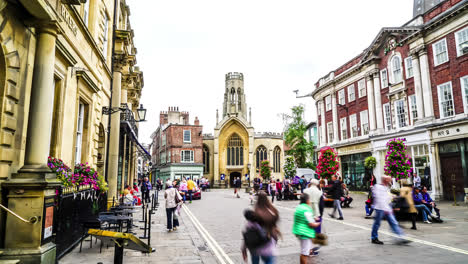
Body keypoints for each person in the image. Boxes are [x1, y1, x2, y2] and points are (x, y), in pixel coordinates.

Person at [241, 191, 280, 264]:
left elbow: (247, 233)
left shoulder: (253, 215)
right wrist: (275, 240)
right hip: (267, 246)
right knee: (269, 261)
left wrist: (244, 249)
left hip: (254, 247)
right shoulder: (272, 212)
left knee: (255, 261)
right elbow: (274, 231)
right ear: (267, 199)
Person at [371, 176, 410, 245]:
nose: (390, 181)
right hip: (379, 208)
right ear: (385, 180)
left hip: (387, 208)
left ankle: (401, 237)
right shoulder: (377, 187)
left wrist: (392, 197)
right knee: (377, 224)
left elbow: (386, 197)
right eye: (389, 179)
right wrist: (385, 208)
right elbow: (379, 199)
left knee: (393, 222)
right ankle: (374, 238)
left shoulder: (386, 187)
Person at [293, 193, 321, 263]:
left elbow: (303, 217)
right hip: (305, 233)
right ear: (307, 200)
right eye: (309, 199)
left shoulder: (299, 207)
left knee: (304, 251)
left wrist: (313, 217)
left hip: (299, 231)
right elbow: (311, 223)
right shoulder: (306, 209)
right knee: (304, 253)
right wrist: (317, 224)